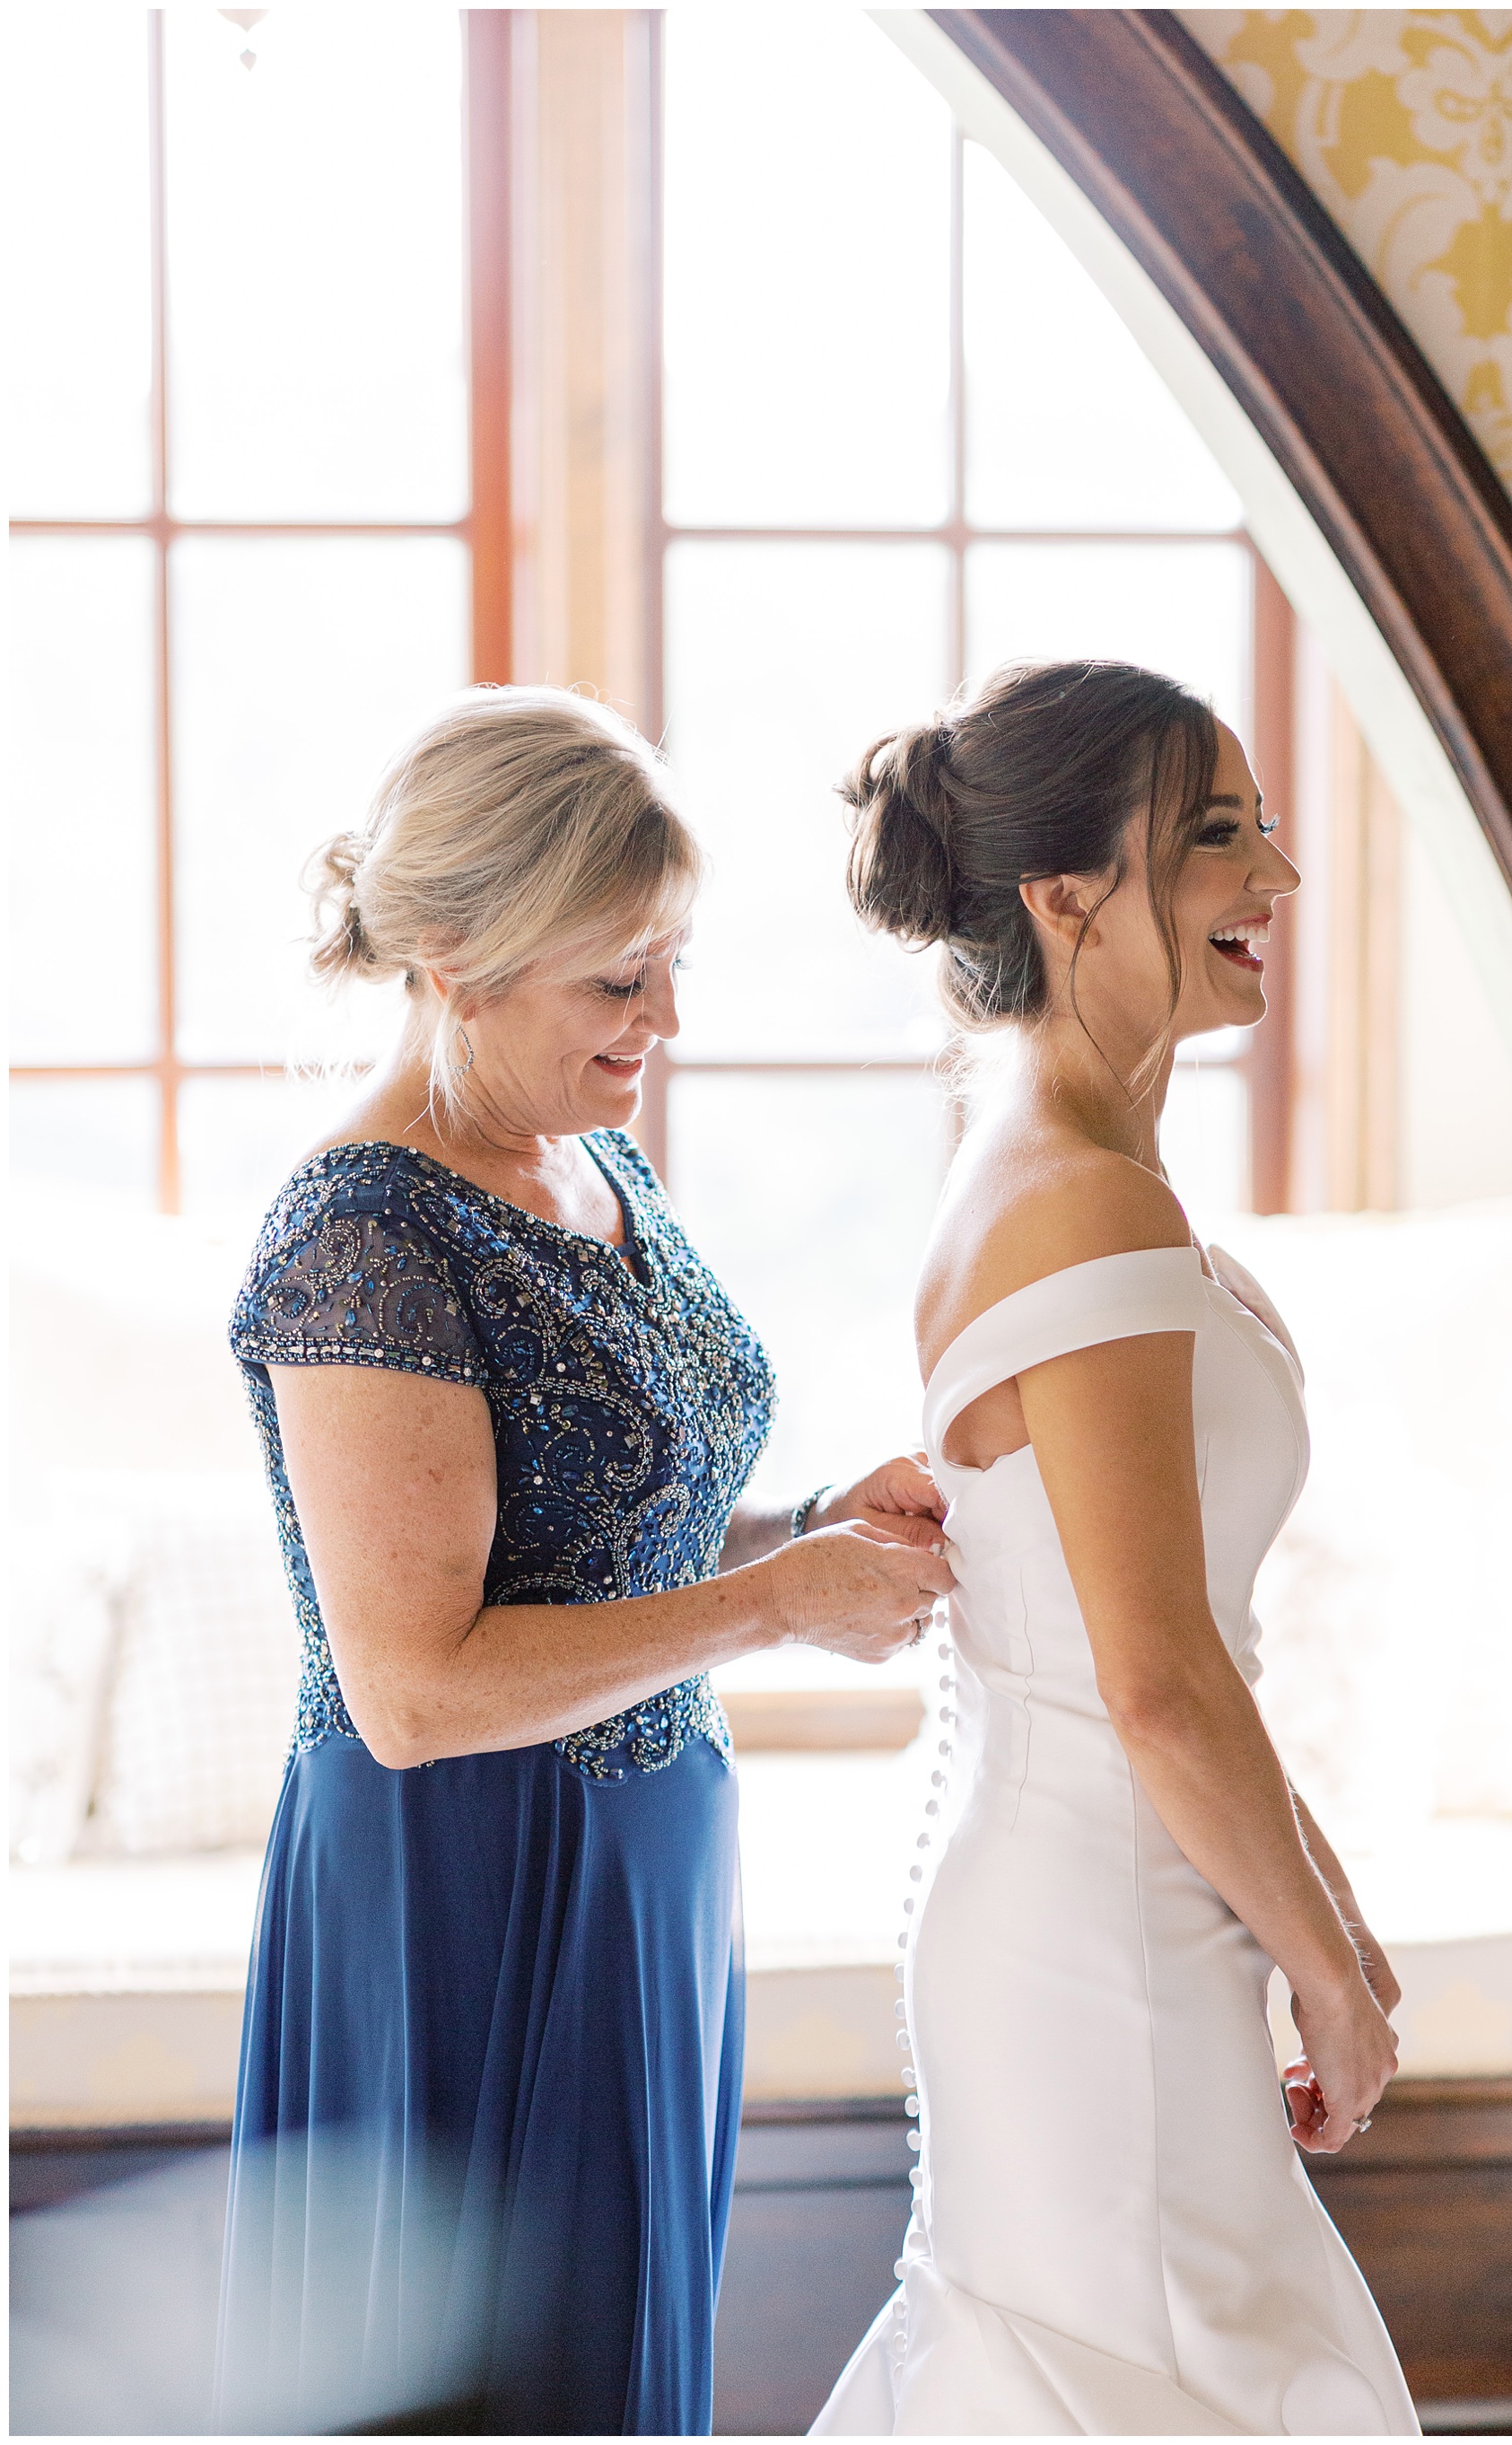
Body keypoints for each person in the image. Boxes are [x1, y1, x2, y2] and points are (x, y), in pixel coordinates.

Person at [215, 687, 954, 2437]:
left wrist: (809, 1524)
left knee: (616, 2372)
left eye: (672, 963)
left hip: (644, 1860)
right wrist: (776, 1607)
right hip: (464, 1884)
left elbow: (599, 1535)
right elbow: (415, 1691)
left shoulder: (590, 1151)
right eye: (618, 979)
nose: (668, 1019)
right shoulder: (366, 1235)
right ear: (456, 958)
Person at [813, 661, 1419, 2436]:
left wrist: (1335, 1932)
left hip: (1123, 1901)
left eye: (1271, 827)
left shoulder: (1062, 1166)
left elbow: (1181, 1663)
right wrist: (1321, 1971)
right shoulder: (1081, 1197)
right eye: (1219, 836)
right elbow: (1152, 1683)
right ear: (1063, 893)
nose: (1278, 882)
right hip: (1096, 1932)